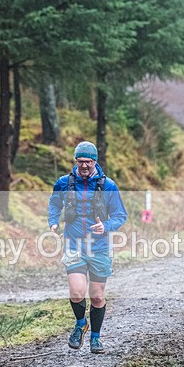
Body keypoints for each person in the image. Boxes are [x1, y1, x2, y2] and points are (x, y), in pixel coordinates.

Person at [48, 141, 127, 354]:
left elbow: (121, 215)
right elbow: (55, 204)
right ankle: (81, 323)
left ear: (95, 162)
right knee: (76, 292)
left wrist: (106, 226)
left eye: (88, 162)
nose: (84, 166)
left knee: (97, 296)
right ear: (76, 161)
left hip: (99, 247)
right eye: (81, 162)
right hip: (74, 244)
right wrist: (53, 221)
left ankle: (95, 338)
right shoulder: (64, 183)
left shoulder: (108, 185)